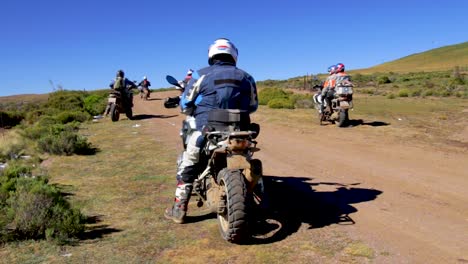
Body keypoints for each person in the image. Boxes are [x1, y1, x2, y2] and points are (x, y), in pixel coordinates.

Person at [164, 38, 259, 224]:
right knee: (249, 156)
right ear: (233, 55)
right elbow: (253, 106)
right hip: (240, 130)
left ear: (212, 54)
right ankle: (256, 189)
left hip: (206, 130)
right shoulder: (247, 77)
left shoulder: (200, 74)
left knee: (188, 162)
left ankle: (179, 209)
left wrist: (192, 108)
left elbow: (185, 105)